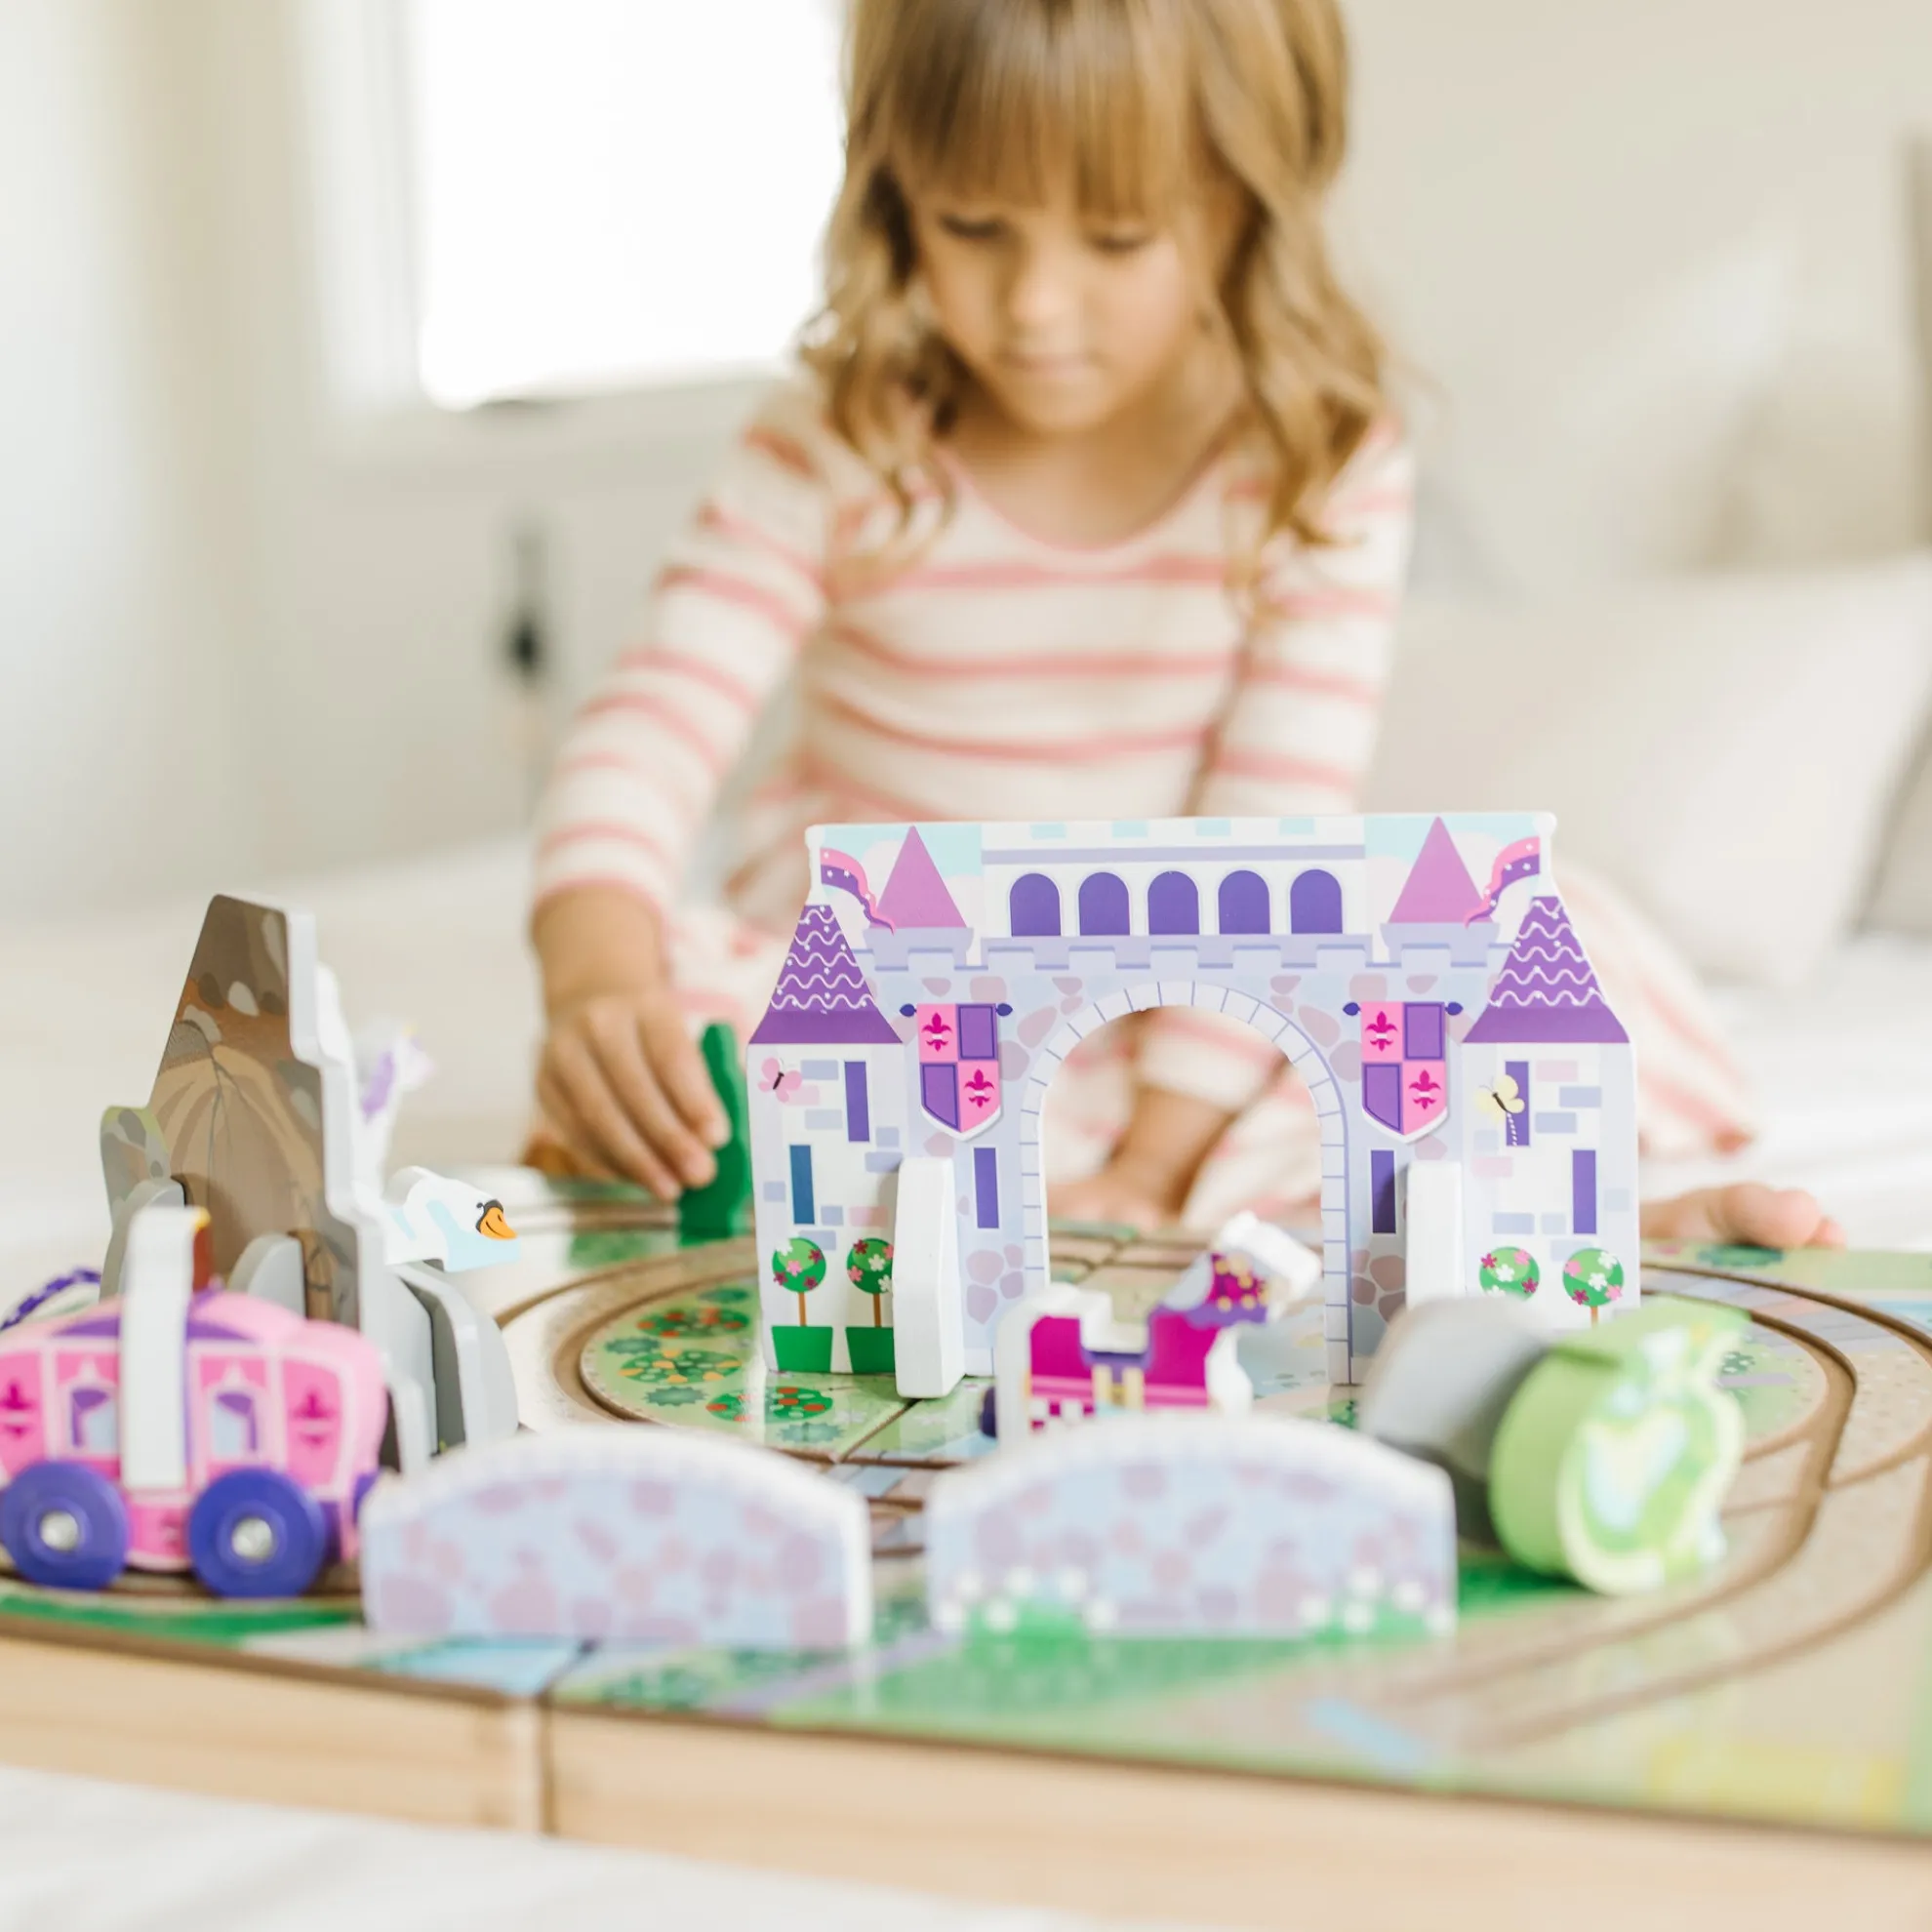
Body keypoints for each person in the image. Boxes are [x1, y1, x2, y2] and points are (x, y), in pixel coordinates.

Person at [526, 0, 1840, 1258]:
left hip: (1205, 1016)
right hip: (905, 1000)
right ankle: (1198, 1217)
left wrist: (1154, 1164)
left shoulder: (1315, 456)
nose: (1035, 306)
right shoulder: (833, 443)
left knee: (1534, 941)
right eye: (973, 224)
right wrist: (599, 988)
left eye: (1116, 239)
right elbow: (652, 728)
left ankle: (1544, 1231)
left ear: (1245, 203)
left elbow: (1275, 820)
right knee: (685, 1028)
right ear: (891, 185)